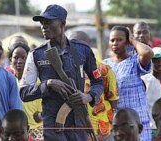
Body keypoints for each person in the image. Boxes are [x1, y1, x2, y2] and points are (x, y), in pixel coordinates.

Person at [20, 4, 103, 141]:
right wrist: (48, 84)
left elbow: (98, 81)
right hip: (53, 126)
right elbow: (24, 93)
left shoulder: (82, 50)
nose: (43, 27)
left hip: (79, 122)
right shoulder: (36, 55)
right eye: (42, 23)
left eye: (48, 22)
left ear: (63, 23)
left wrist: (88, 97)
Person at [103, 25, 153, 141]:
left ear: (127, 42)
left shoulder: (134, 61)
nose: (115, 43)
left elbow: (147, 52)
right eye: (112, 40)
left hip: (137, 120)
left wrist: (133, 40)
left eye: (120, 40)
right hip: (116, 123)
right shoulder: (105, 65)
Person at [68, 31, 119, 141]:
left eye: (78, 45)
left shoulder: (104, 69)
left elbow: (113, 101)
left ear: (87, 47)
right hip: (74, 132)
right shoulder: (64, 69)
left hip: (101, 132)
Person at [7, 36, 43, 141]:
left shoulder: (37, 82)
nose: (19, 61)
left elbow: (49, 104)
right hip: (15, 132)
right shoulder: (8, 81)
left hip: (37, 130)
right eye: (16, 57)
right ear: (10, 60)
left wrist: (41, 114)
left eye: (23, 58)